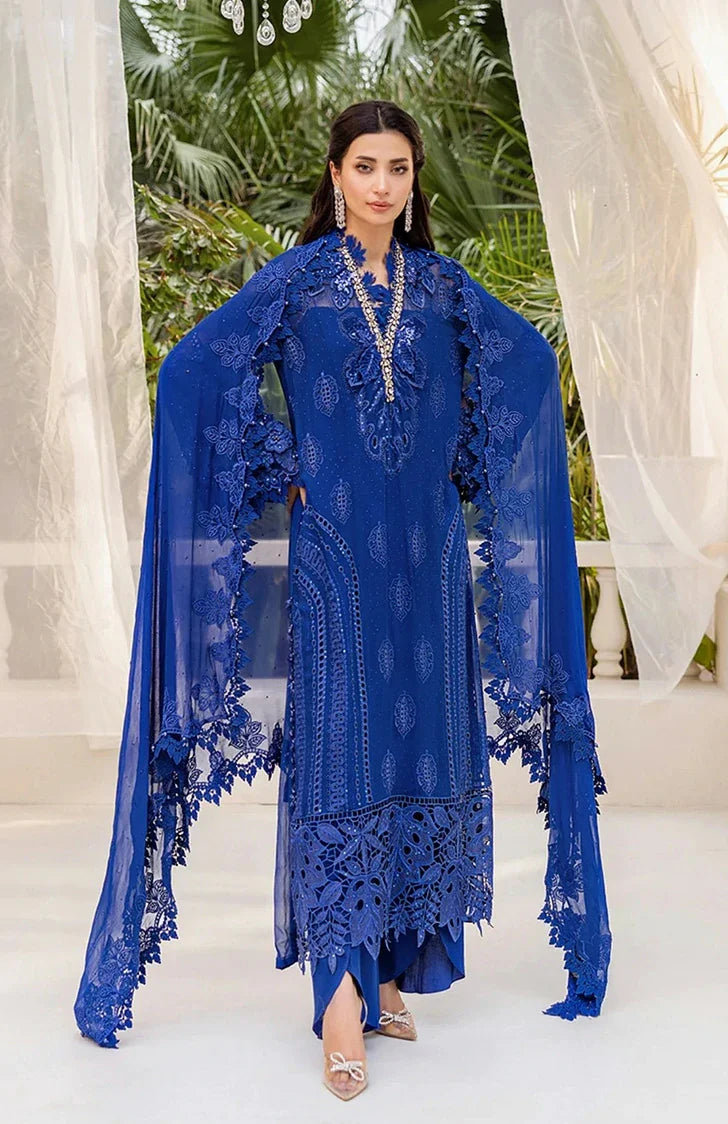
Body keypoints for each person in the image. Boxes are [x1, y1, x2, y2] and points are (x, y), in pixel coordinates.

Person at [73, 99, 611, 1102]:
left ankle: (391, 968)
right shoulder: (298, 286)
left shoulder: (442, 288)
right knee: (341, 755)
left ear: (413, 181)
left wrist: (460, 464)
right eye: (365, 165)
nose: (382, 184)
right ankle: (337, 999)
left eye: (398, 168)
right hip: (338, 564)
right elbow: (193, 371)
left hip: (429, 566)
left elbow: (529, 366)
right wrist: (285, 463)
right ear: (334, 175)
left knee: (421, 751)